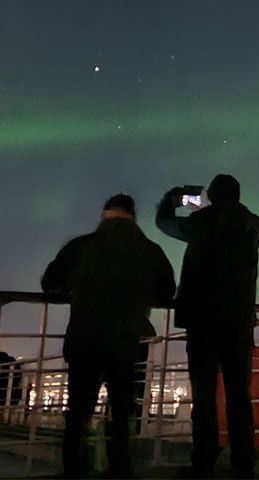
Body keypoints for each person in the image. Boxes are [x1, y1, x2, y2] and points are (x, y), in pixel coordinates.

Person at [41, 194, 176, 479]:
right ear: (134, 217)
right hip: (124, 342)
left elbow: (50, 283)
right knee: (122, 413)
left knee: (77, 413)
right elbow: (167, 291)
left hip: (84, 338)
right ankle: (120, 470)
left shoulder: (80, 247)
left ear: (105, 215)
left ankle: (73, 471)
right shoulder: (149, 251)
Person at [156, 174, 259, 479]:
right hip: (239, 322)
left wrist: (174, 197)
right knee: (238, 395)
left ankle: (204, 459)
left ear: (212, 197)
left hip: (203, 321)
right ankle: (244, 461)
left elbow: (164, 222)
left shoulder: (201, 223)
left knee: (203, 395)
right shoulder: (253, 223)